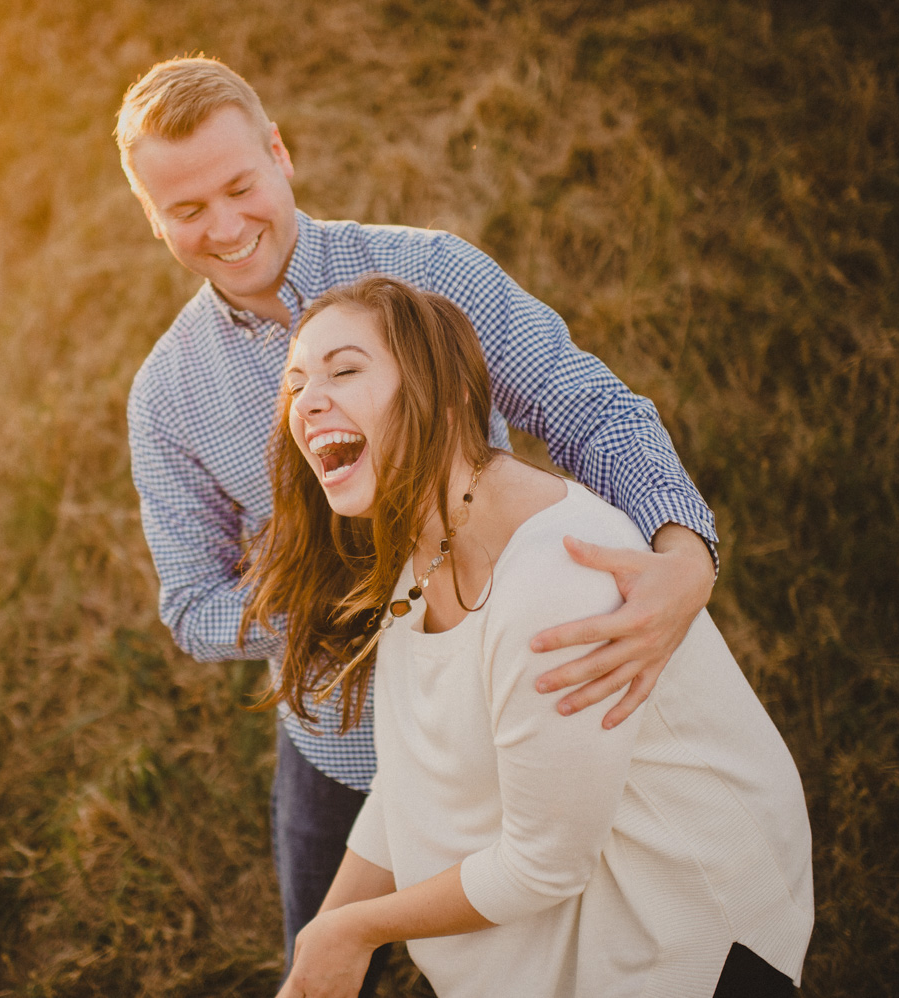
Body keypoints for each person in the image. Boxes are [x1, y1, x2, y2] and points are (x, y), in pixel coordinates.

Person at [116, 57, 722, 985]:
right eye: (187, 210)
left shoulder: (428, 272)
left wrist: (685, 551)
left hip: (500, 704)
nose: (228, 227)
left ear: (280, 155)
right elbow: (192, 605)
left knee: (542, 961)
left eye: (241, 186)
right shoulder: (166, 395)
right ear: (151, 216)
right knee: (323, 966)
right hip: (341, 745)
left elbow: (581, 406)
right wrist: (334, 591)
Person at [243, 275, 813, 998]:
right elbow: (411, 779)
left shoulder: (557, 576)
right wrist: (321, 937)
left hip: (681, 949)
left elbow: (546, 863)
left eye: (345, 370)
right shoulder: (417, 546)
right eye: (296, 383)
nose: (308, 400)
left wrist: (355, 932)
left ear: (443, 396)